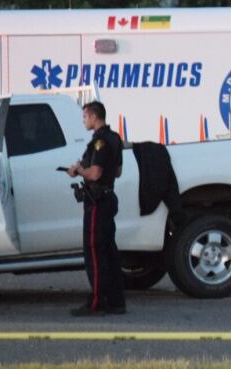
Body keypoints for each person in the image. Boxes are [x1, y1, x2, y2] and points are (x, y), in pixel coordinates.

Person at [66, 101, 126, 315]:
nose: (83, 121)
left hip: (98, 203)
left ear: (93, 117)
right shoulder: (115, 138)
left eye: (84, 117)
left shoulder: (100, 142)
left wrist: (79, 171)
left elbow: (95, 174)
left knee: (95, 253)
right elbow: (117, 171)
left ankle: (97, 302)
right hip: (108, 198)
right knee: (109, 252)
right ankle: (116, 302)